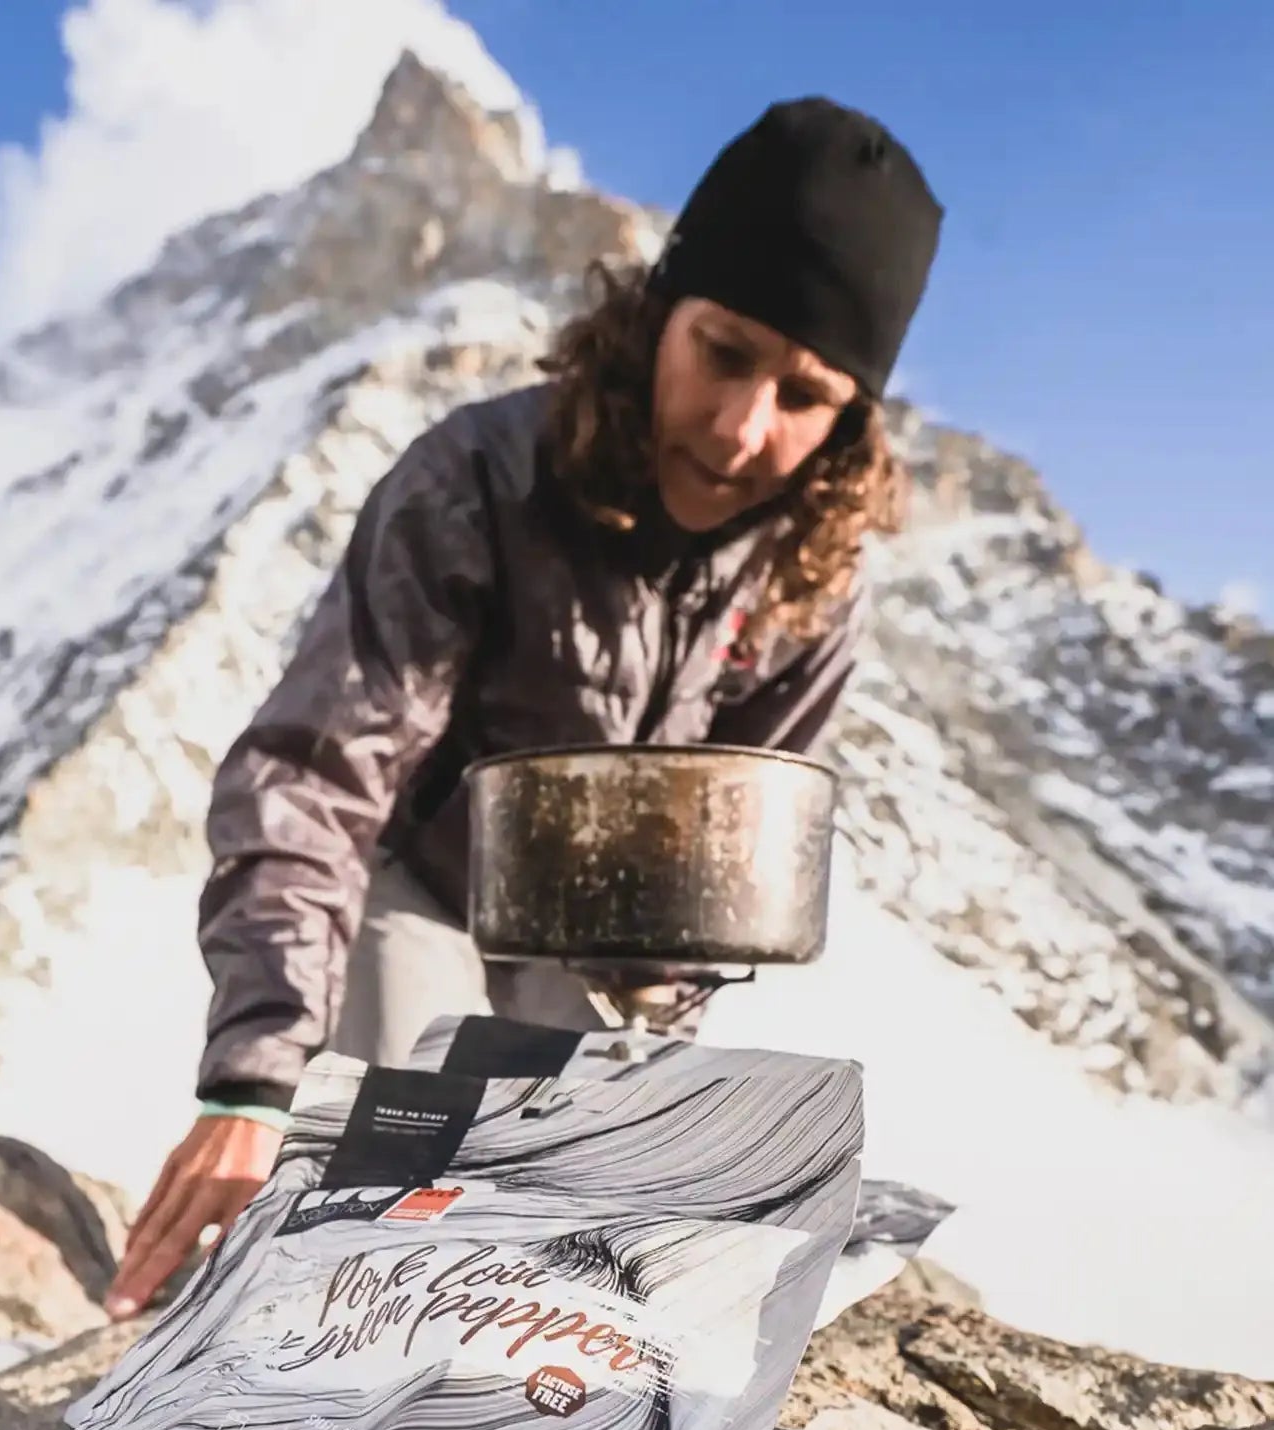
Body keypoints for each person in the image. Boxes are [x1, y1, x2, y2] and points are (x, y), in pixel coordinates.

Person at [104, 94, 943, 1319]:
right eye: (723, 353)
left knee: (573, 1252)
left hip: (595, 960)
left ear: (852, 421)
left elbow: (717, 880)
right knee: (399, 1168)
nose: (741, 428)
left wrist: (649, 1073)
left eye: (805, 395)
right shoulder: (480, 478)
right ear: (657, 316)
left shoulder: (810, 588)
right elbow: (319, 773)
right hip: (414, 891)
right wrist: (255, 1080)